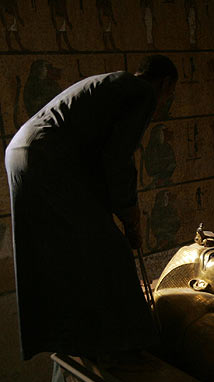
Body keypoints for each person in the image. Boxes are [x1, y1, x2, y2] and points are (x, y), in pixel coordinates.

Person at [5, 54, 177, 361]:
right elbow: (118, 158)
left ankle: (79, 338)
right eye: (169, 94)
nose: (164, 101)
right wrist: (129, 211)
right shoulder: (142, 92)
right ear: (165, 84)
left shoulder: (113, 84)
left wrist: (119, 209)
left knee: (63, 253)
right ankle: (126, 345)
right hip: (47, 157)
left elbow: (99, 160)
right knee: (110, 249)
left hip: (22, 153)